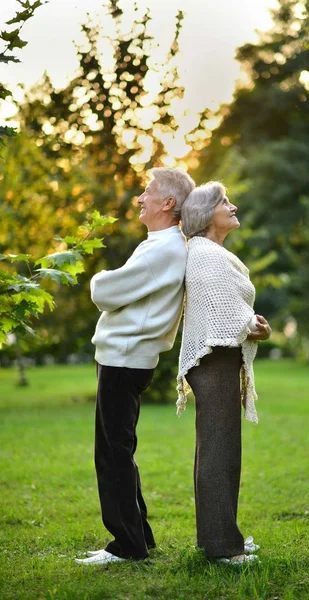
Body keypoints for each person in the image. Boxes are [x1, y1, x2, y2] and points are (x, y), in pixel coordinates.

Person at [76, 167, 195, 566]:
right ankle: (138, 534)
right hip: (125, 357)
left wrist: (99, 277)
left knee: (112, 455)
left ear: (168, 203)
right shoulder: (161, 245)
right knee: (118, 450)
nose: (140, 198)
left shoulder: (164, 249)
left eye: (148, 191)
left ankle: (127, 545)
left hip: (124, 359)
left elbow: (105, 292)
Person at [177, 181, 271, 566]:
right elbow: (220, 309)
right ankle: (221, 548)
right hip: (214, 362)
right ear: (205, 213)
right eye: (224, 202)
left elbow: (228, 306)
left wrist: (251, 323)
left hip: (219, 360)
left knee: (220, 452)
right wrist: (252, 325)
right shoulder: (204, 254)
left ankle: (220, 537)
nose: (232, 207)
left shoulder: (211, 252)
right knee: (219, 454)